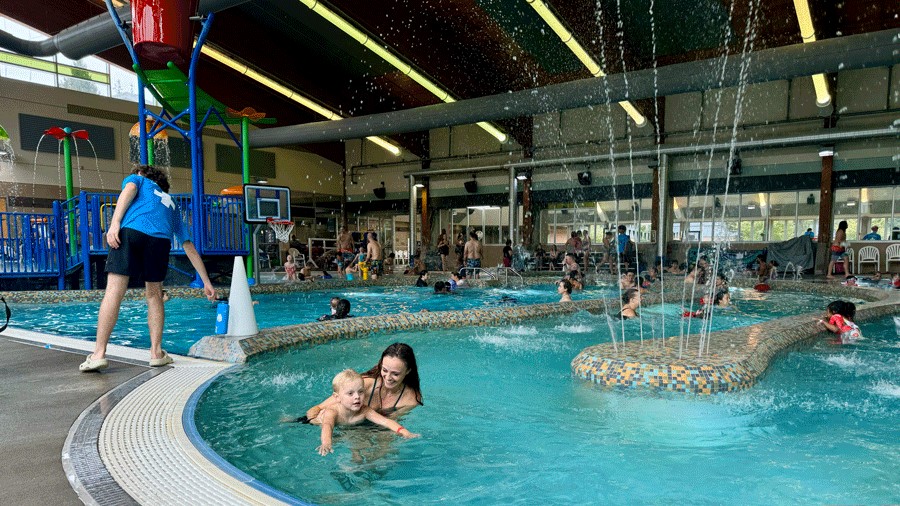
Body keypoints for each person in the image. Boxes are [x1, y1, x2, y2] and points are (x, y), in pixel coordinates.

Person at [80, 165, 216, 372]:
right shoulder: (172, 203)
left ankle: (98, 354)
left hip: (132, 232)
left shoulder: (138, 179)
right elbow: (188, 245)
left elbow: (129, 191)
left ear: (143, 174)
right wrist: (206, 282)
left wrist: (115, 223)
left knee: (114, 292)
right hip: (159, 242)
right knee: (154, 295)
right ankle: (156, 353)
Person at [307, 369, 419, 456]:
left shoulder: (364, 411)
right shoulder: (332, 412)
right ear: (337, 397)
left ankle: (359, 466)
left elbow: (386, 421)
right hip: (317, 426)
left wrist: (405, 432)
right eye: (350, 393)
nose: (357, 397)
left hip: (350, 430)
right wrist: (326, 443)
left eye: (360, 392)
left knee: (362, 444)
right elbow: (327, 426)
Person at [306, 342, 424, 423]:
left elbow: (387, 427)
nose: (388, 377)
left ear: (408, 371)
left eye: (395, 374)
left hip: (371, 430)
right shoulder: (364, 385)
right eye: (384, 370)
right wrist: (315, 421)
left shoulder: (411, 399)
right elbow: (316, 408)